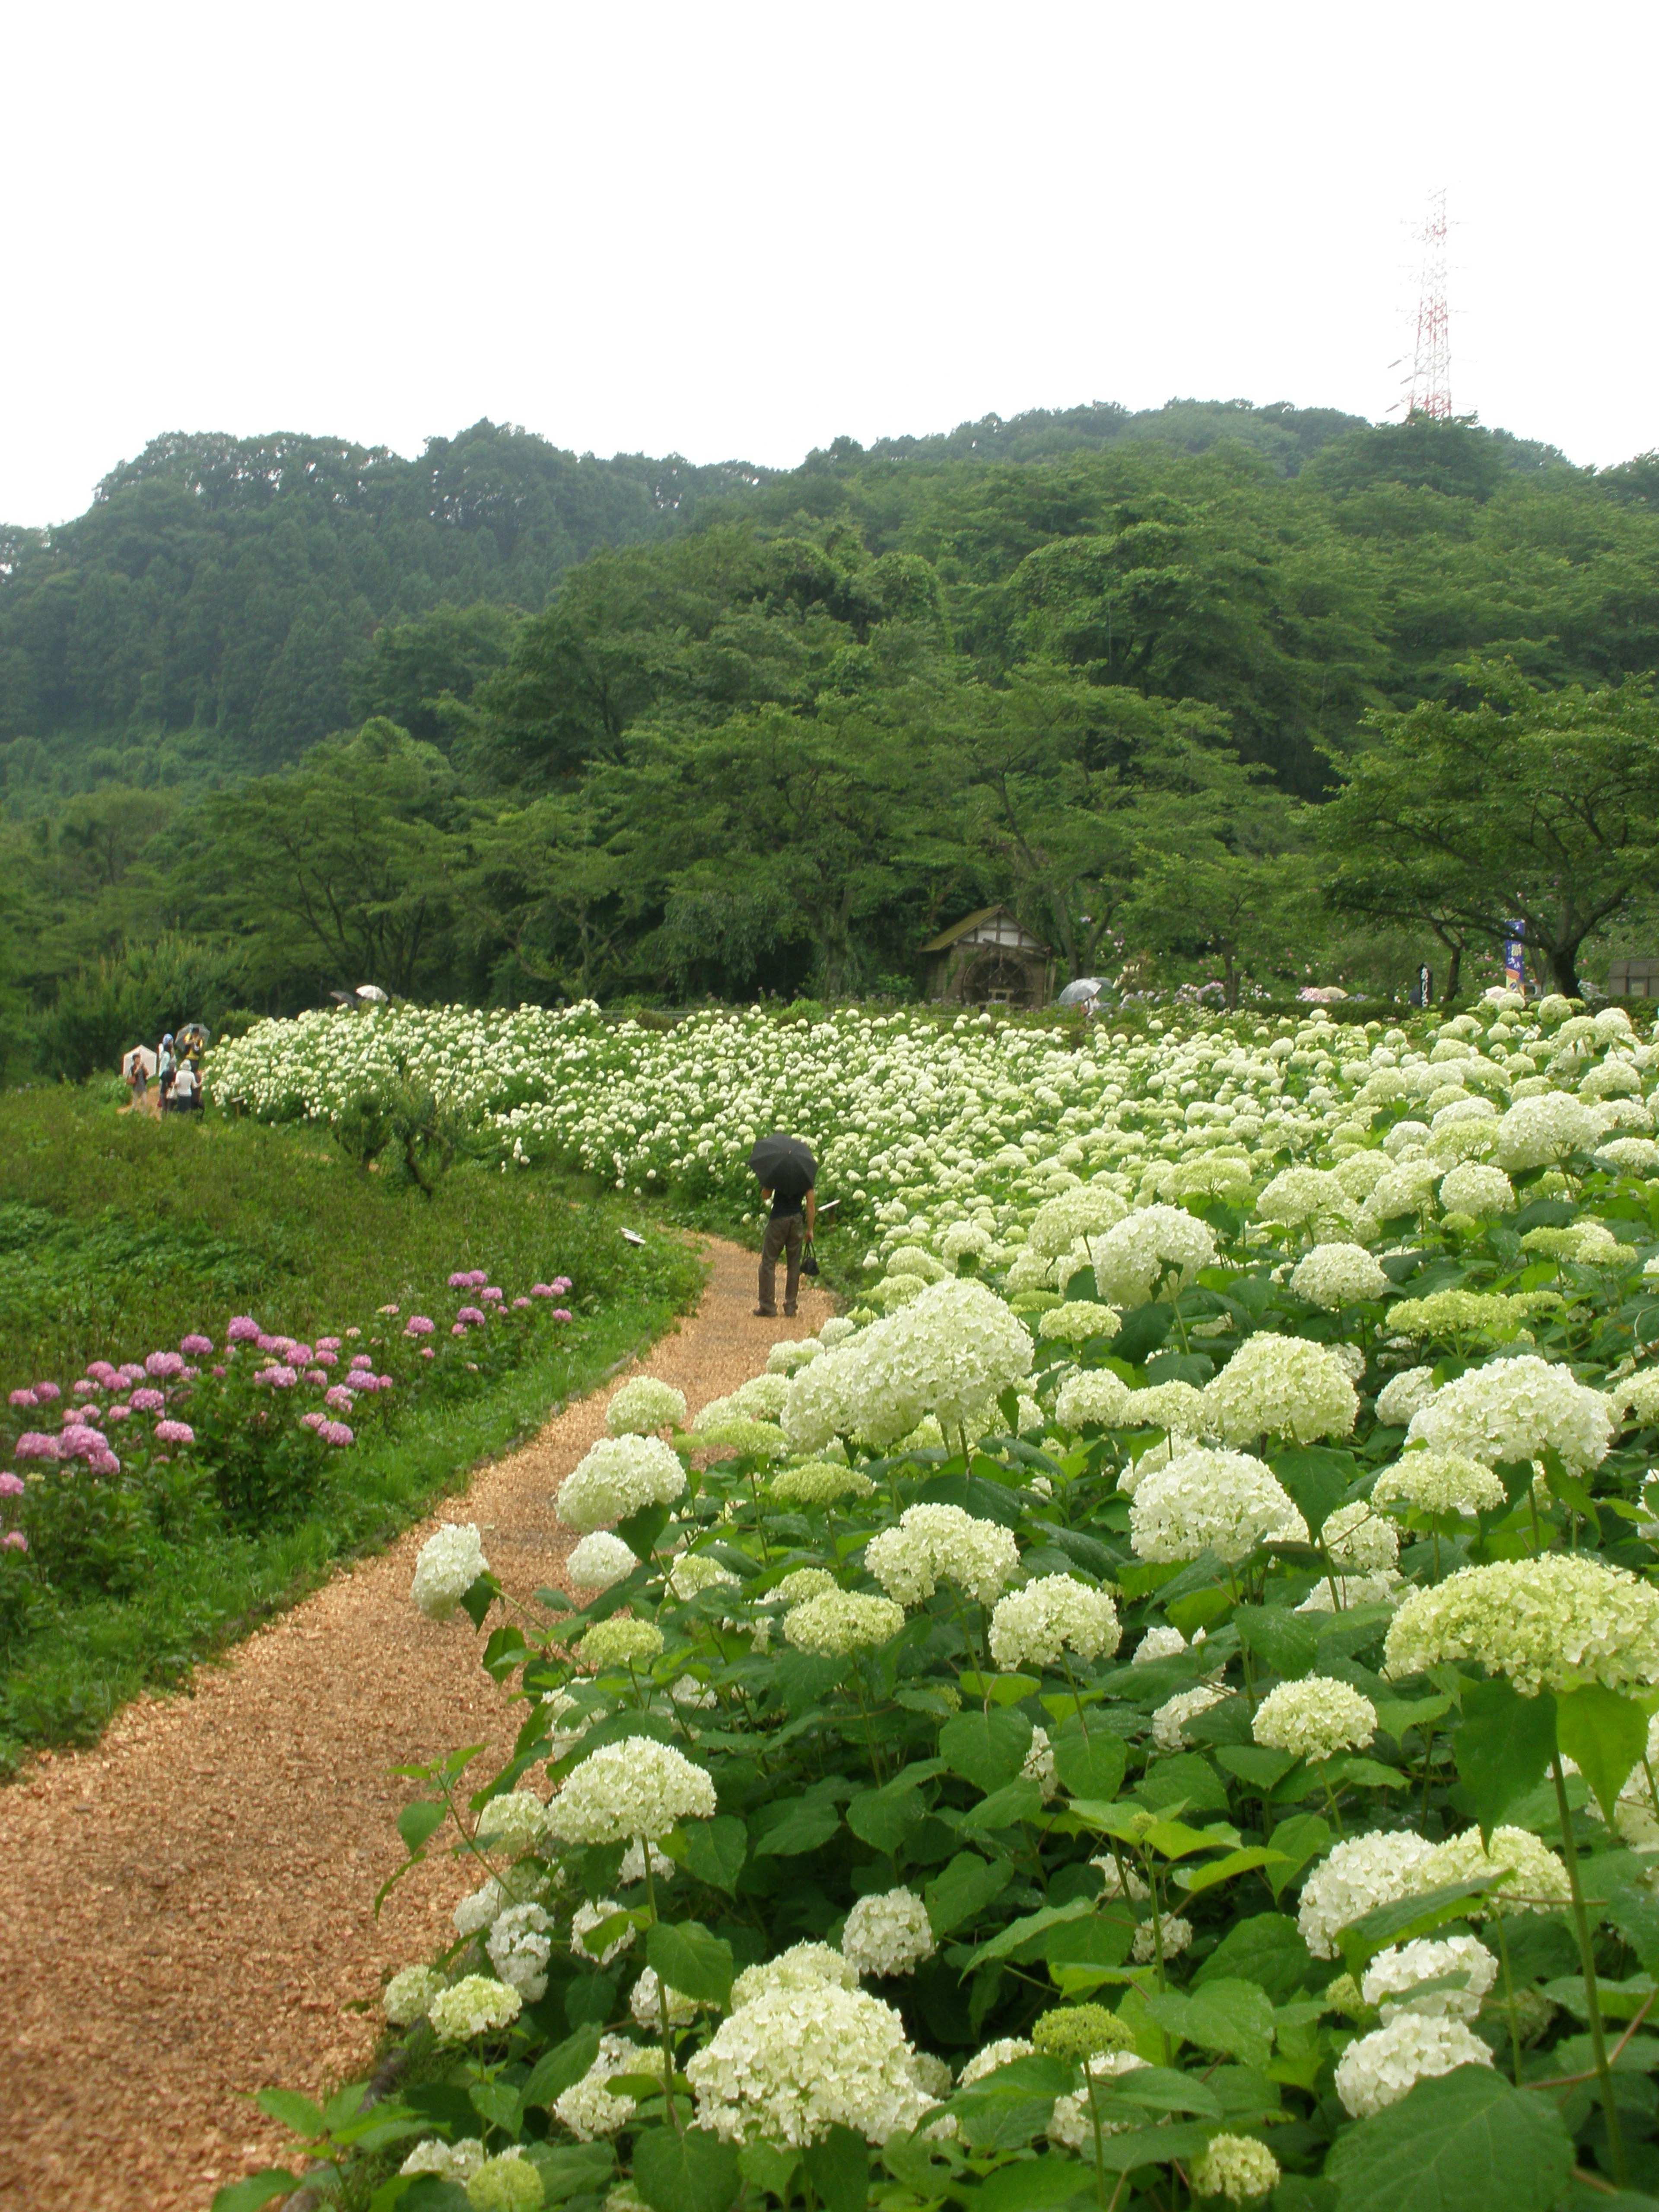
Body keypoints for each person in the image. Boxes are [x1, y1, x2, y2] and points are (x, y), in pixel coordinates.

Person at [756, 1174, 815, 1319]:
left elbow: (765, 1195)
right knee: (794, 1264)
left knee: (768, 1262)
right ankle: (790, 1306)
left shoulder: (778, 1171)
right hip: (797, 1220)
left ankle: (768, 1306)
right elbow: (811, 1203)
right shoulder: (805, 1174)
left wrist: (767, 1183)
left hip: (778, 1219)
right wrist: (810, 1229)